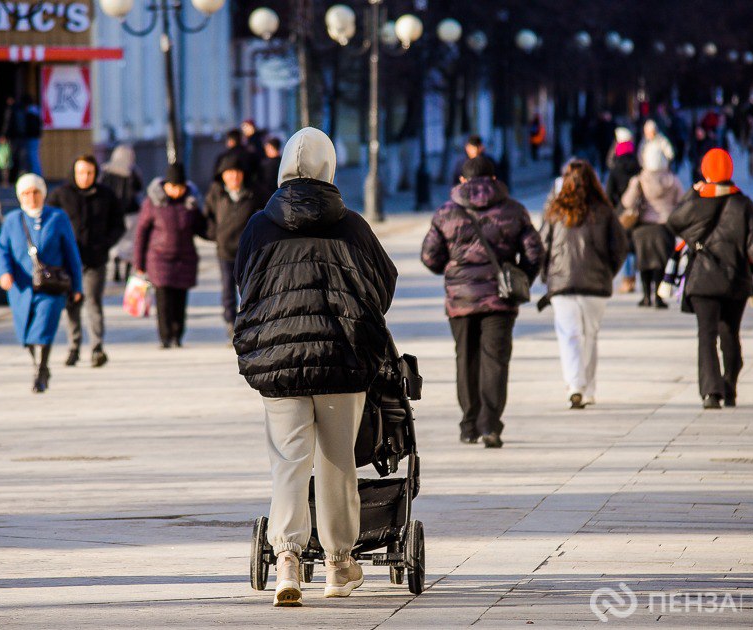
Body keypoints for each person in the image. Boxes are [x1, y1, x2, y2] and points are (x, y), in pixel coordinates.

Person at [233, 127, 397, 607]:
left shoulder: (259, 226)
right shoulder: (352, 226)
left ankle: (286, 558)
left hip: (278, 360)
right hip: (342, 360)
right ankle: (338, 563)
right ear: (330, 166)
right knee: (336, 460)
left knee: (288, 460)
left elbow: (245, 285)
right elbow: (383, 288)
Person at [422, 156, 542, 448]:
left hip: (460, 300)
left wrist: (453, 272)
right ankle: (490, 425)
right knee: (495, 361)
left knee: (465, 358)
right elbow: (535, 252)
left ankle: (468, 424)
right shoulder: (514, 210)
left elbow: (430, 256)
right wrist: (519, 276)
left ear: (462, 181)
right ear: (494, 178)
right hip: (499, 300)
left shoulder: (446, 213)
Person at [667, 149, 753, 409]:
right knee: (730, 334)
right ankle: (729, 384)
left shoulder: (697, 202)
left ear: (705, 171)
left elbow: (673, 221)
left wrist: (694, 193)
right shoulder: (743, 204)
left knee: (706, 335)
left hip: (703, 281)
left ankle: (711, 392)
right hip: (735, 280)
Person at [539, 160, 627, 409]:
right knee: (590, 335)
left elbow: (541, 246)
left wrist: (547, 275)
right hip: (595, 286)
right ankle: (587, 388)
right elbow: (619, 248)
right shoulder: (604, 211)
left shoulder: (555, 211)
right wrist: (608, 272)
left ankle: (575, 385)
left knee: (569, 336)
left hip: (562, 283)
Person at [0, 174, 83, 393]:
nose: (31, 197)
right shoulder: (12, 220)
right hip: (21, 287)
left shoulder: (57, 217)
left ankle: (40, 370)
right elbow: (1, 249)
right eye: (26, 193)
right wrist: (4, 273)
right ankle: (39, 365)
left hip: (51, 287)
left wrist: (77, 286)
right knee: (26, 331)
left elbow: (71, 253)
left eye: (35, 192)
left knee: (43, 326)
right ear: (19, 196)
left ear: (43, 194)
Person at [48, 155, 124, 368]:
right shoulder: (61, 196)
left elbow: (118, 224)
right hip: (67, 262)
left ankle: (97, 347)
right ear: (74, 172)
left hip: (95, 260)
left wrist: (105, 243)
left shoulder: (106, 196)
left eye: (90, 172)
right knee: (71, 304)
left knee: (93, 302)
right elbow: (48, 223)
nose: (85, 177)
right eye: (81, 172)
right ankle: (74, 346)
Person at [134, 163, 206, 348]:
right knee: (164, 300)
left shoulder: (190, 203)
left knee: (180, 300)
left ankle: (177, 335)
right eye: (173, 187)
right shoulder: (153, 202)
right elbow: (141, 232)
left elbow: (202, 227)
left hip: (184, 258)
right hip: (158, 258)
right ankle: (165, 337)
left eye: (180, 187)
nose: (176, 191)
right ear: (166, 185)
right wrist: (138, 262)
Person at [204, 154, 260, 338]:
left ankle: (249, 323)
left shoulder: (253, 193)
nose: (234, 177)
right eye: (229, 173)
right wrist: (216, 235)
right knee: (227, 289)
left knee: (248, 289)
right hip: (225, 250)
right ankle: (231, 322)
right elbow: (207, 217)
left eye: (237, 173)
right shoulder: (216, 194)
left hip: (248, 251)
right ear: (222, 175)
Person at [621, 144, 684, 308]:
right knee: (661, 263)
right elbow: (682, 202)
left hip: (643, 227)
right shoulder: (673, 180)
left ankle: (646, 296)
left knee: (644, 263)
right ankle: (659, 296)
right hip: (665, 226)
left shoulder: (640, 180)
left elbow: (627, 201)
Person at [100, 144, 144, 282]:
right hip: (131, 212)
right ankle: (126, 268)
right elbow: (139, 188)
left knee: (116, 241)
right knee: (130, 241)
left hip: (112, 212)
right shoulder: (132, 171)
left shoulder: (106, 171)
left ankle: (116, 265)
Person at [604, 133, 640, 294]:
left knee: (625, 246)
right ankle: (634, 276)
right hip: (637, 210)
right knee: (635, 244)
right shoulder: (639, 169)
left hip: (621, 212)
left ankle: (627, 277)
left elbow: (609, 193)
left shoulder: (614, 170)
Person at [23, 96, 43, 176]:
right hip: (36, 137)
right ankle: (35, 174)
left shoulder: (30, 113)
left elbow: (31, 127)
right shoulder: (37, 111)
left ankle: (36, 175)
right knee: (33, 156)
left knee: (32, 156)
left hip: (32, 137)